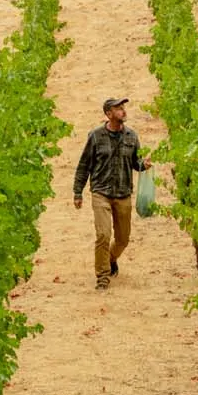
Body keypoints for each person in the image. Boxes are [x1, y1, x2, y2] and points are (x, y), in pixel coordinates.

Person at [71, 96, 149, 290]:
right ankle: (102, 276)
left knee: (123, 239)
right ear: (108, 114)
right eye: (118, 108)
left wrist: (144, 165)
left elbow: (135, 163)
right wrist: (77, 192)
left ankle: (111, 258)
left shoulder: (132, 136)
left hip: (123, 193)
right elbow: (84, 165)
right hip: (101, 193)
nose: (123, 111)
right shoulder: (96, 136)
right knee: (103, 235)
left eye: (123, 107)